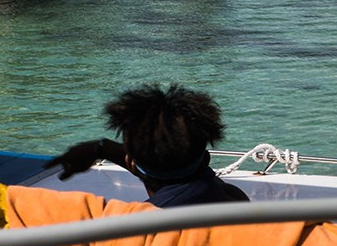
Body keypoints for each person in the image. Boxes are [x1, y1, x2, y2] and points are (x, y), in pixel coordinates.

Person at [48, 83, 249, 208]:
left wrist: (102, 148)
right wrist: (102, 148)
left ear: (133, 165)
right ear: (206, 159)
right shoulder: (234, 200)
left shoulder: (137, 228)